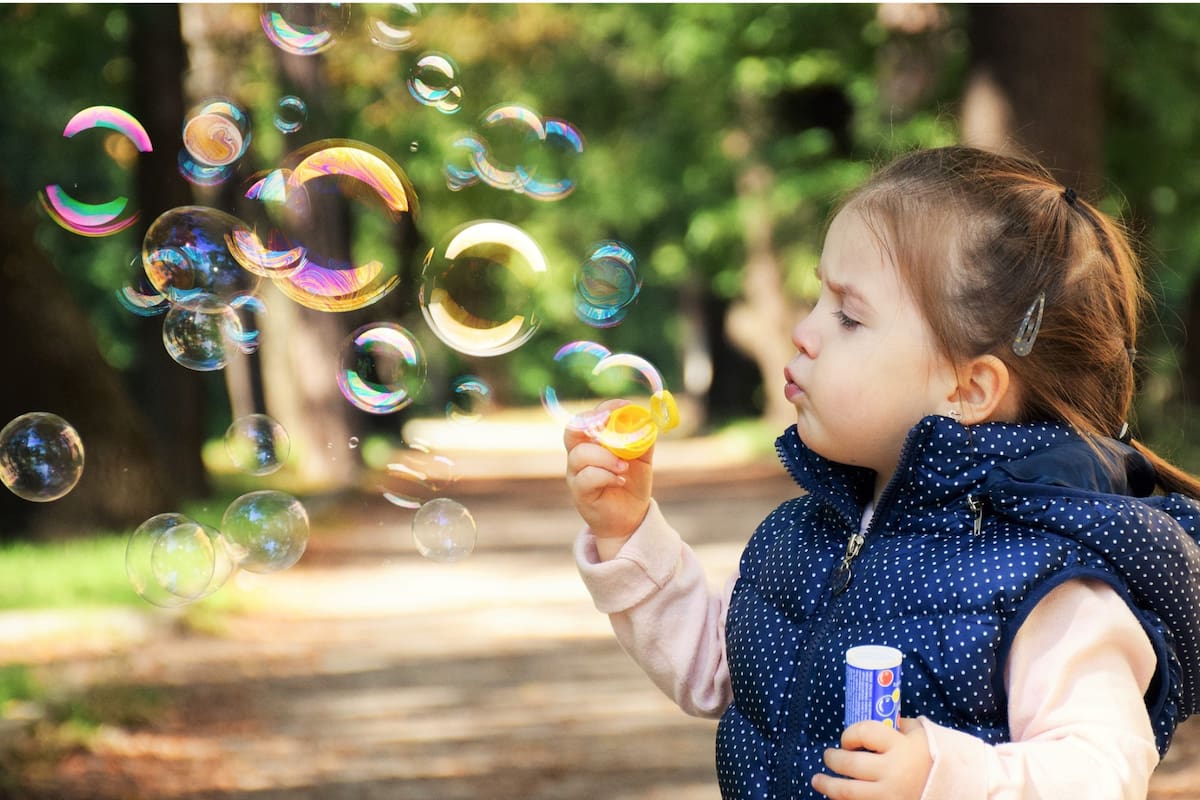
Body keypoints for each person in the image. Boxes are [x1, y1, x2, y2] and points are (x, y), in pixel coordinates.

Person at [563, 145, 1200, 800]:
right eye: (817, 298)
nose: (804, 332)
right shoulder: (805, 535)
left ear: (970, 388)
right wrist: (628, 530)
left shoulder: (1049, 578)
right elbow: (720, 670)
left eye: (848, 314)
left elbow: (1101, 772)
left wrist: (942, 774)